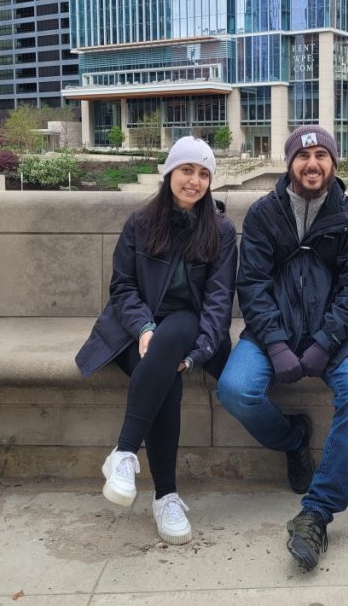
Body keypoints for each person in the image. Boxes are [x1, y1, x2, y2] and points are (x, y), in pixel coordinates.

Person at [218, 126, 348, 572]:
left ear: (333, 164)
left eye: (322, 155)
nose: (312, 164)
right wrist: (275, 342)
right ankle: (293, 438)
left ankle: (317, 511)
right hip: (275, 331)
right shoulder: (264, 214)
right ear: (289, 163)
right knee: (235, 389)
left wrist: (325, 342)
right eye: (303, 156)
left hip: (339, 336)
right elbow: (252, 284)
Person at [75, 136, 237, 545]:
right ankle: (165, 497)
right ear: (169, 173)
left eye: (204, 174)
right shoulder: (141, 223)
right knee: (167, 381)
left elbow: (219, 301)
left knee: (175, 333)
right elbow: (123, 287)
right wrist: (145, 328)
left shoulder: (220, 230)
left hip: (190, 329)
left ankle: (124, 452)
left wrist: (198, 354)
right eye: (187, 170)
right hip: (134, 332)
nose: (194, 181)